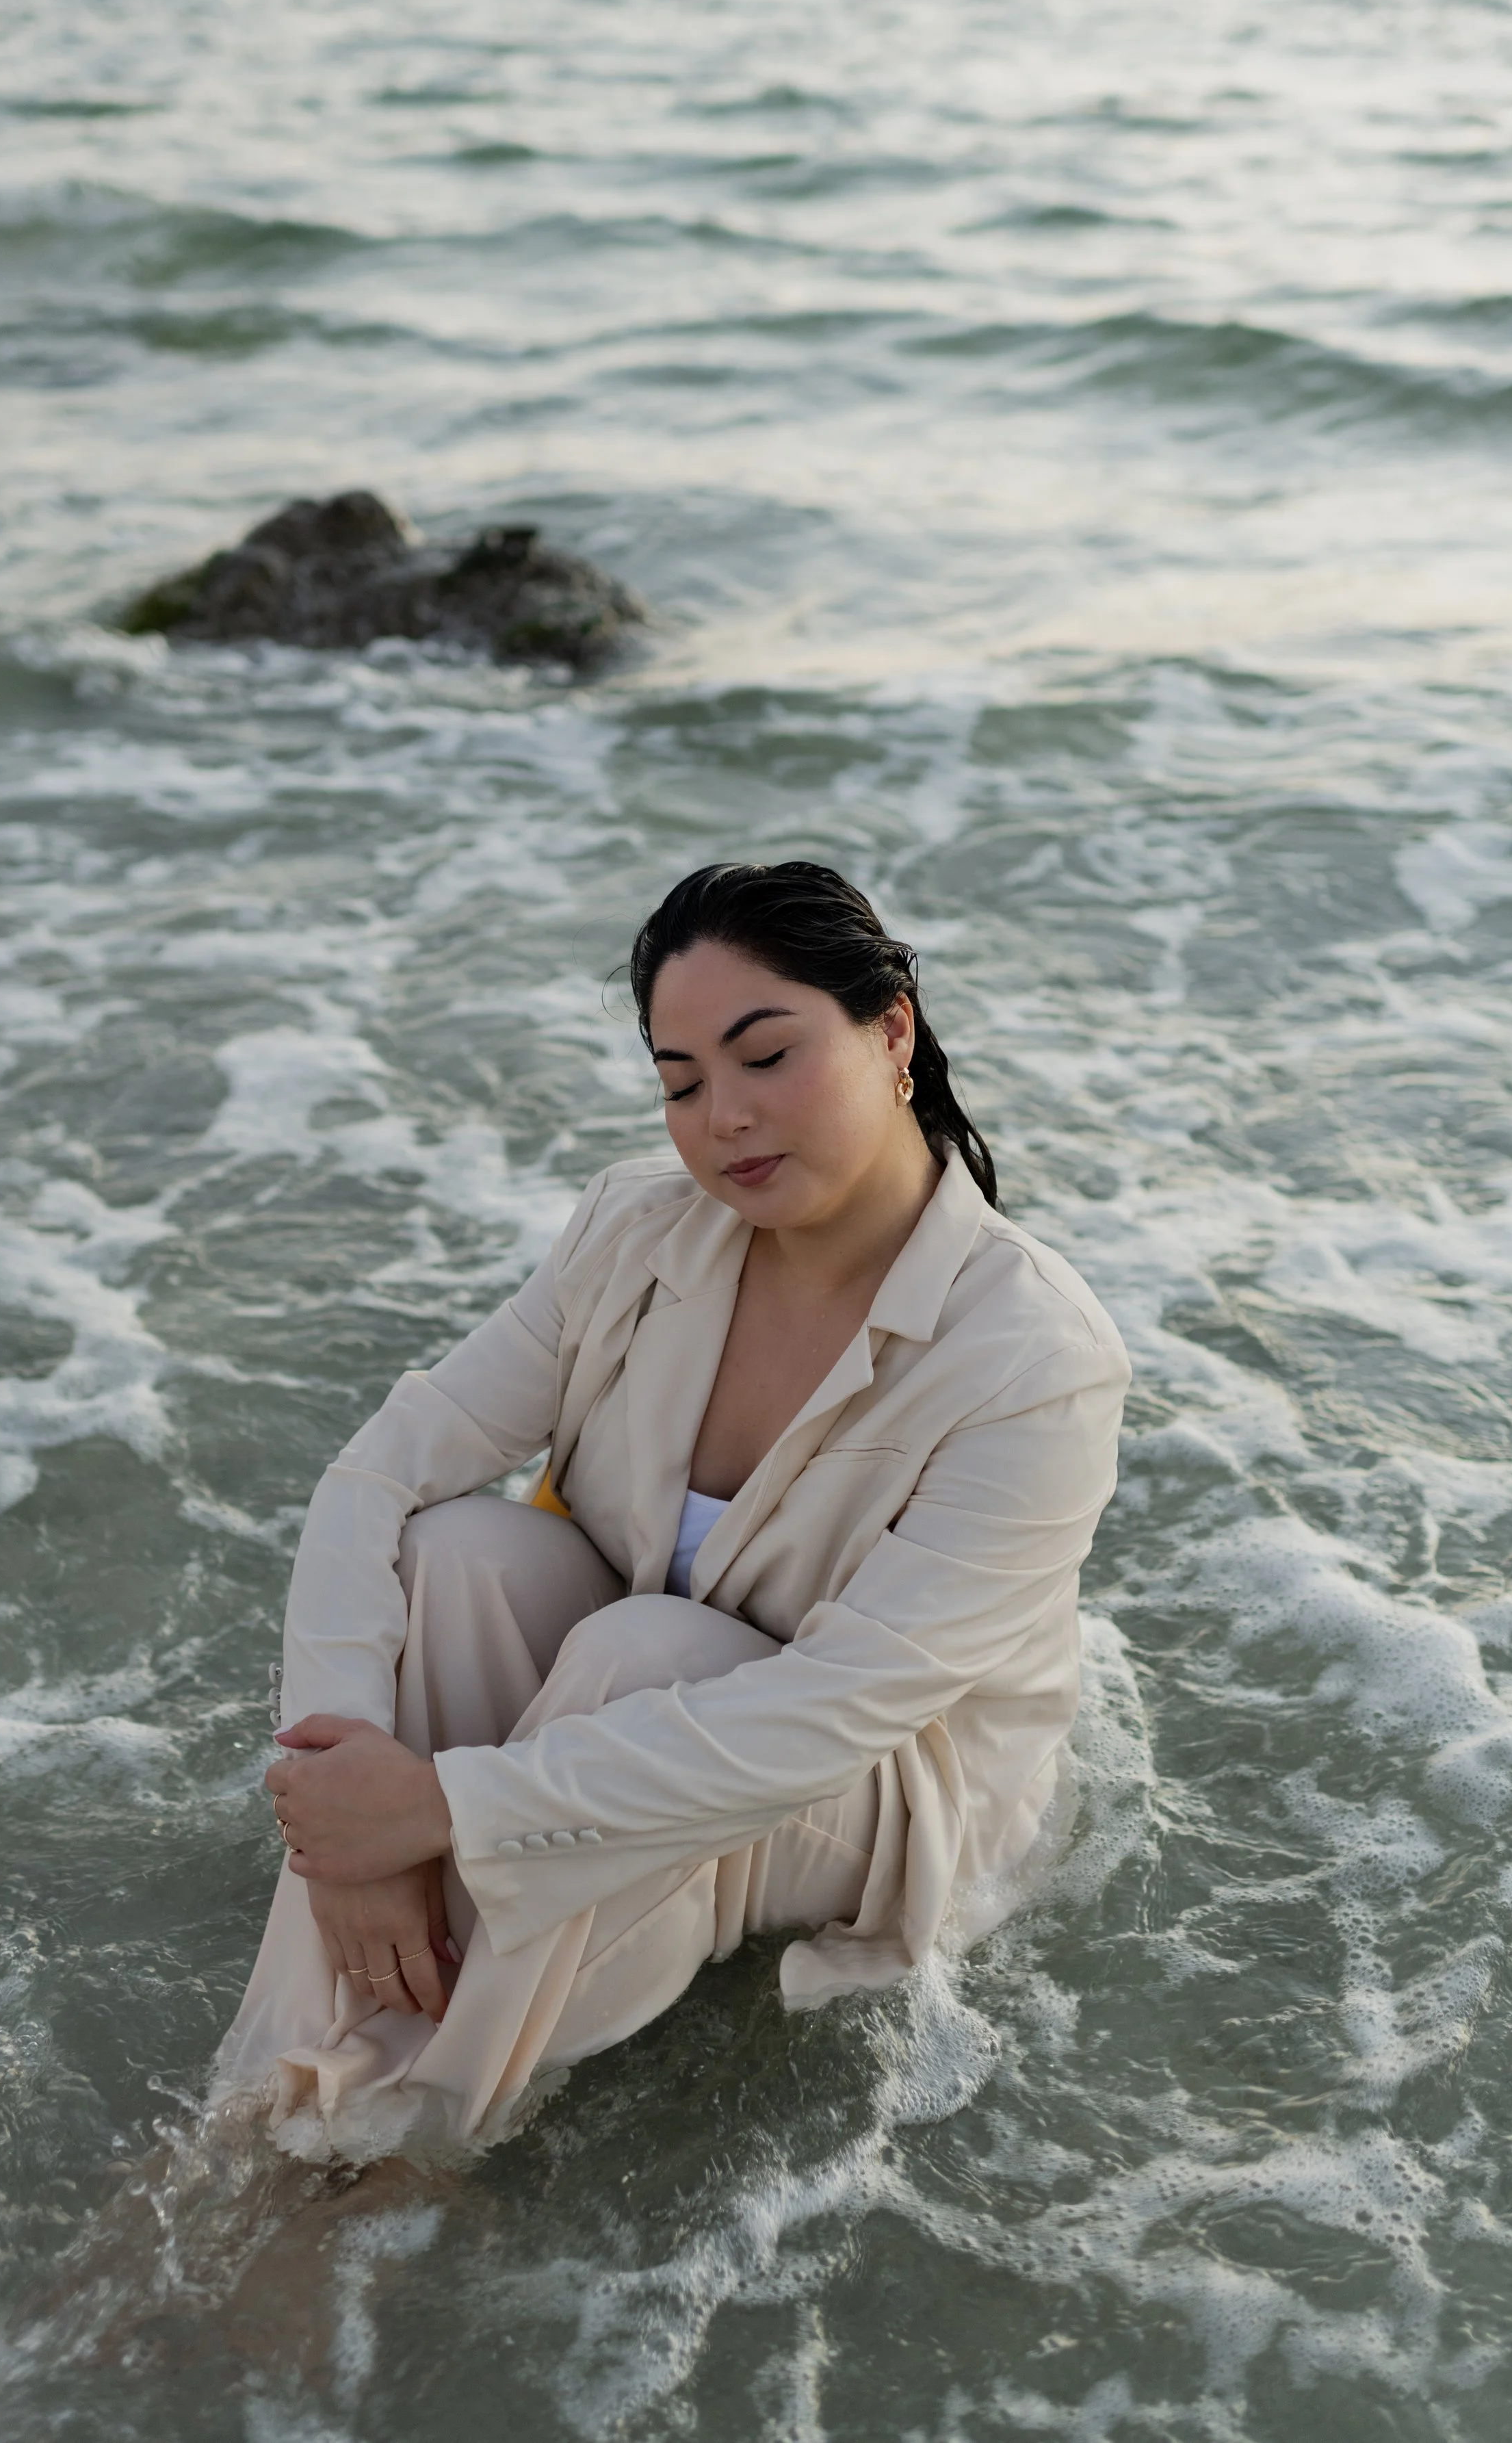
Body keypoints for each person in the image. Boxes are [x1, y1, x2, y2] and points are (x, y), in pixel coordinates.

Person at [214, 861, 1130, 2156]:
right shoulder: (636, 1232)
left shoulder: (1034, 1355)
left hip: (871, 1792)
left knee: (646, 1652)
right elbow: (381, 1471)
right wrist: (351, 1809)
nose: (727, 1119)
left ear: (892, 1032)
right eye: (683, 1082)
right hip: (637, 1687)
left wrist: (450, 1808)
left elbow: (832, 1712)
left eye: (766, 1055)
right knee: (460, 1550)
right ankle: (252, 2117)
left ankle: (405, 2149)